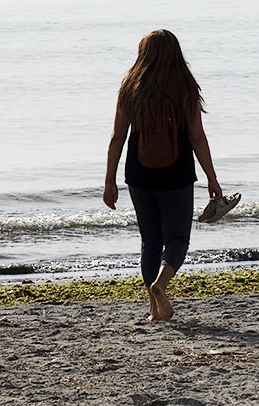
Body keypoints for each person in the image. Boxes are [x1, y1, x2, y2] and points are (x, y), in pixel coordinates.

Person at [103, 29, 223, 322]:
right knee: (178, 238)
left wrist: (110, 181)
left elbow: (117, 137)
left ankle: (155, 309)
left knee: (150, 241)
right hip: (177, 174)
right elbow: (196, 136)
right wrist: (212, 177)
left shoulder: (131, 86)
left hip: (139, 174)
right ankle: (161, 285)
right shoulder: (184, 85)